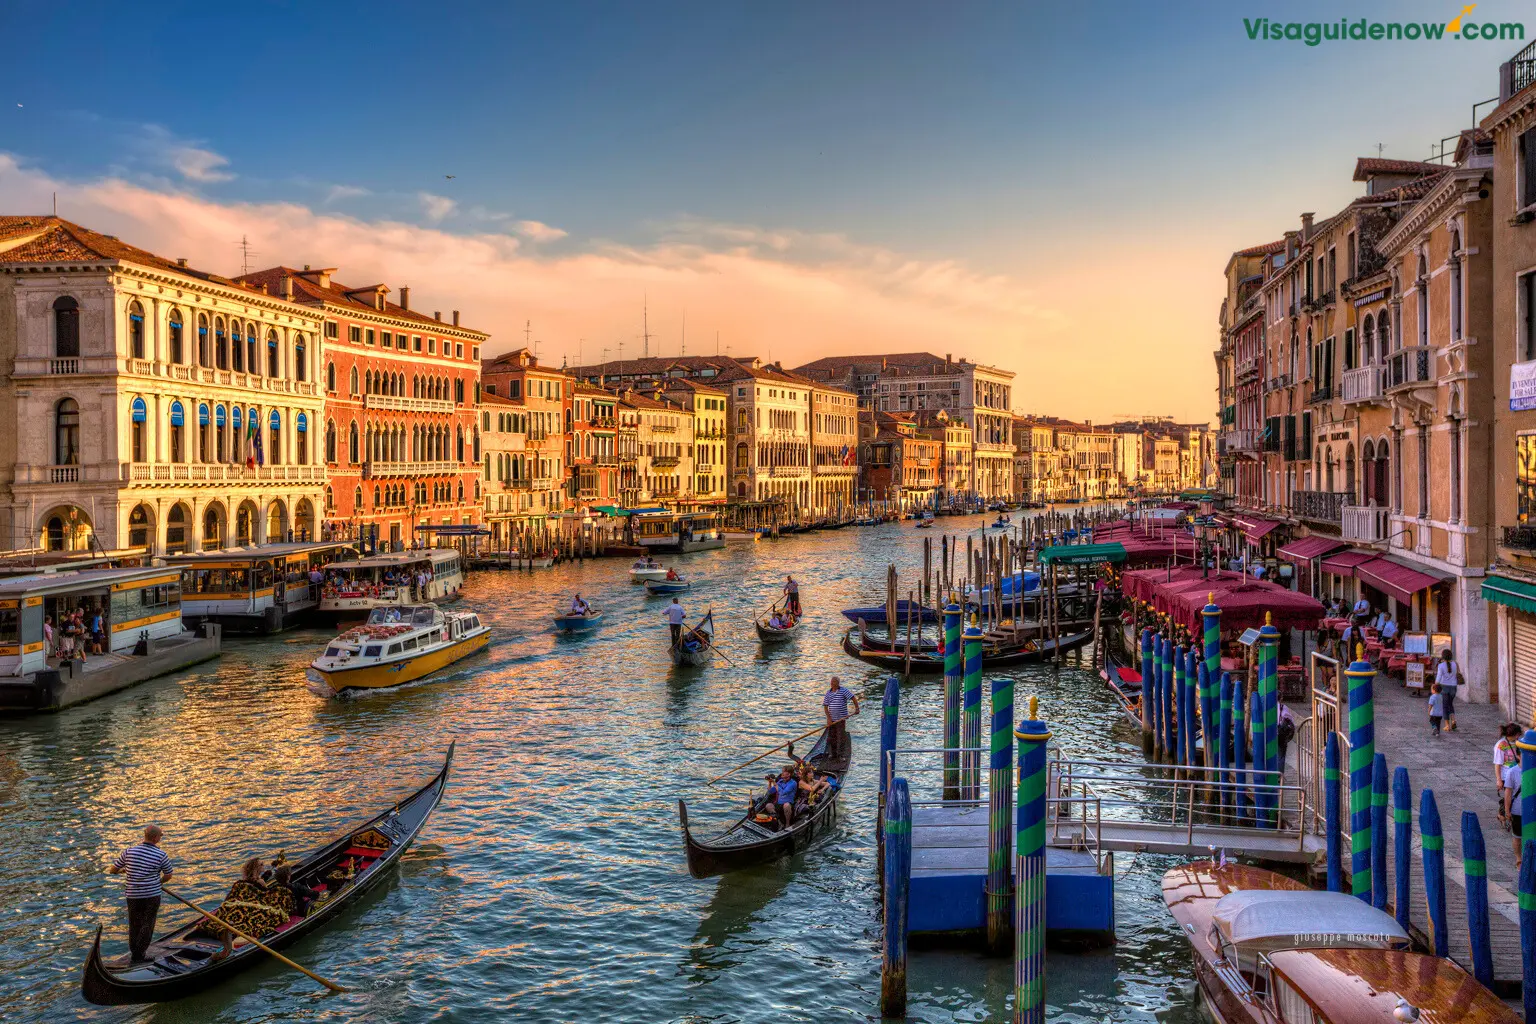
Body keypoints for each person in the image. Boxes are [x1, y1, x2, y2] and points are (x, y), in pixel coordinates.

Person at [110, 825, 172, 965]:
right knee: (147, 924)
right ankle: (139, 956)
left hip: (132, 895)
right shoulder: (161, 854)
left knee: (134, 924)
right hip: (151, 895)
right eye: (160, 836)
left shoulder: (129, 851)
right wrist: (159, 882)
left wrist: (124, 870)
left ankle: (135, 953)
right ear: (155, 837)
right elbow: (168, 875)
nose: (160, 839)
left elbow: (113, 870)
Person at [823, 675, 861, 758]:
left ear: (838, 683)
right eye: (831, 682)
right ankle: (833, 754)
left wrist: (857, 708)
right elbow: (825, 706)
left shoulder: (843, 691)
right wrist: (828, 719)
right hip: (832, 720)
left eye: (834, 682)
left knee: (841, 737)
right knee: (832, 737)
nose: (832, 684)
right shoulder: (828, 693)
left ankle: (841, 755)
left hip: (841, 719)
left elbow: (853, 698)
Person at [1496, 723, 1521, 815]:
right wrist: (1499, 780)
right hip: (1506, 776)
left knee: (1515, 795)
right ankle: (1503, 813)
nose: (1519, 736)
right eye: (1518, 734)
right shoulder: (1501, 745)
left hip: (1517, 773)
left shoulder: (1518, 742)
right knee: (1510, 795)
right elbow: (1497, 764)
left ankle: (1504, 813)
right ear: (1514, 734)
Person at [1434, 648, 1461, 732]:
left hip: (1444, 687)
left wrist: (1435, 685)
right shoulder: (1455, 664)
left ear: (1443, 656)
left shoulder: (1441, 665)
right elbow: (1457, 673)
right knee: (1450, 704)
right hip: (1453, 687)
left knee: (1445, 706)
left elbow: (1438, 678)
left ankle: (1447, 725)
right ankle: (1453, 721)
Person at [1505, 758, 1524, 868]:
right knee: (1517, 836)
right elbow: (1508, 793)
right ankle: (1519, 859)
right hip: (1517, 810)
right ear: (1518, 755)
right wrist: (1507, 811)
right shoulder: (1512, 772)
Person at [1278, 704, 1297, 773]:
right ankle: (1280, 775)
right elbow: (1289, 719)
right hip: (1281, 733)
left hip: (1269, 733)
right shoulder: (1282, 707)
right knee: (1281, 755)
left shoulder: (1266, 705)